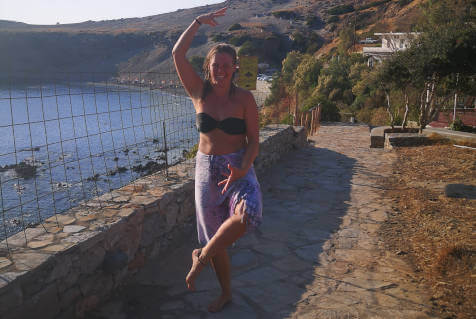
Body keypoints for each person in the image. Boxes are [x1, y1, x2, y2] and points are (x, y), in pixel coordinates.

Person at [172, 7, 263, 313]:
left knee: (246, 214)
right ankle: (225, 292)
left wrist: (243, 168)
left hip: (237, 165)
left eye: (227, 65)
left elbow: (254, 141)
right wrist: (197, 21)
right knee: (215, 235)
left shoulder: (245, 99)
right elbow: (177, 54)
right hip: (205, 168)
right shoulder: (198, 92)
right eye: (215, 65)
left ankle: (201, 258)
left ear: (235, 68)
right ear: (207, 66)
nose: (221, 70)